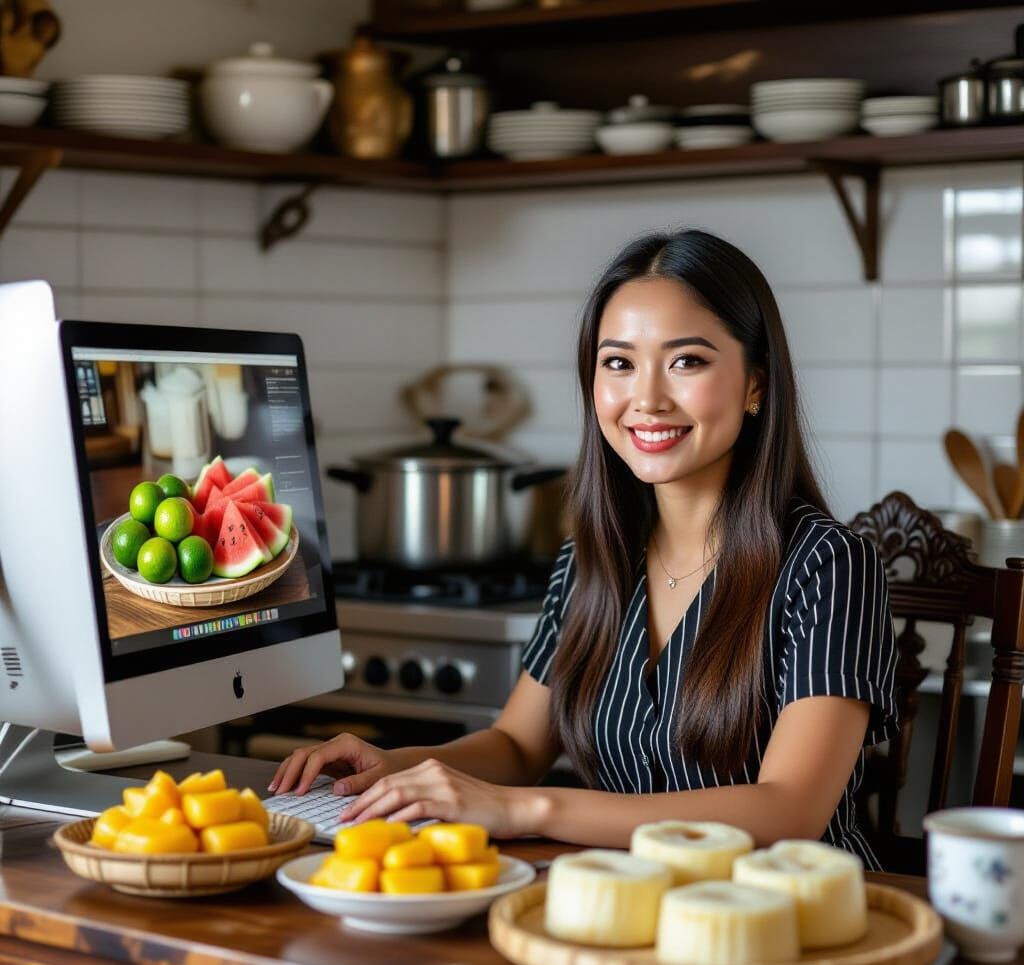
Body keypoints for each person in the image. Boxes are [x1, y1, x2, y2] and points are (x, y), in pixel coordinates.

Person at [270, 228, 899, 867]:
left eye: (687, 361)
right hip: (621, 902)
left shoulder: (827, 565)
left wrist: (527, 809)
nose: (646, 400)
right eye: (619, 363)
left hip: (793, 919)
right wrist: (396, 768)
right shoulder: (590, 561)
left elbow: (788, 811)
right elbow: (517, 746)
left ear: (756, 385)